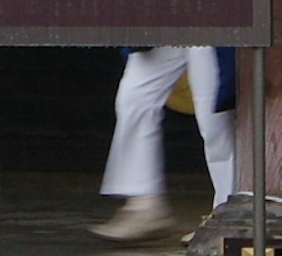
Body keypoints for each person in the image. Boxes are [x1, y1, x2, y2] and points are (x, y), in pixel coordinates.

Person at [91, 45, 236, 244]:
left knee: (216, 122)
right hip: (172, 17)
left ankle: (228, 215)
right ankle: (144, 204)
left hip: (214, 20)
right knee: (135, 98)